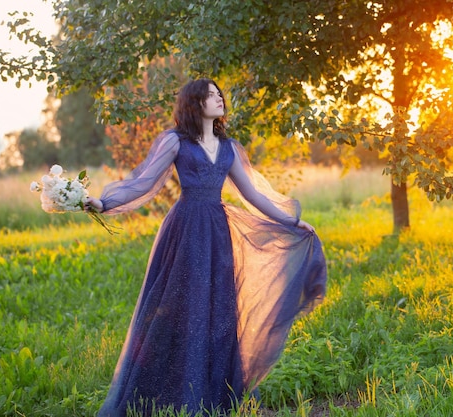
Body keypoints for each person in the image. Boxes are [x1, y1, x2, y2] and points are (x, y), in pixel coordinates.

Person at [87, 78, 327, 416]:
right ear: (195, 102)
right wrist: (103, 202)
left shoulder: (228, 148)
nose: (219, 100)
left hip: (216, 230)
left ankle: (212, 391)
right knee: (179, 306)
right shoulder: (176, 142)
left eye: (220, 95)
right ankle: (163, 391)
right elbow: (142, 183)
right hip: (185, 229)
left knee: (216, 307)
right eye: (211, 95)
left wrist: (291, 221)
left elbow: (253, 195)